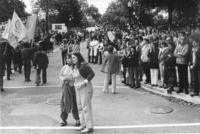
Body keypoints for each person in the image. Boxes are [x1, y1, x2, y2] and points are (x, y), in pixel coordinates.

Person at [72, 52, 95, 133]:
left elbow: (92, 74)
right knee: (80, 107)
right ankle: (83, 125)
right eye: (72, 58)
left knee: (86, 107)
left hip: (85, 87)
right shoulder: (75, 66)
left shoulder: (84, 64)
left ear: (78, 57)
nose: (72, 59)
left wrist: (85, 81)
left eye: (74, 57)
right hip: (78, 88)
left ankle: (89, 127)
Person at [59, 54, 80, 126]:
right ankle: (63, 119)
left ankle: (77, 119)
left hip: (73, 87)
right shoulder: (64, 67)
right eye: (66, 58)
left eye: (69, 58)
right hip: (65, 87)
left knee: (75, 103)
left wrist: (68, 78)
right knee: (64, 103)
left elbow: (76, 77)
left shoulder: (76, 67)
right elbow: (60, 75)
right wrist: (63, 79)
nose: (67, 60)